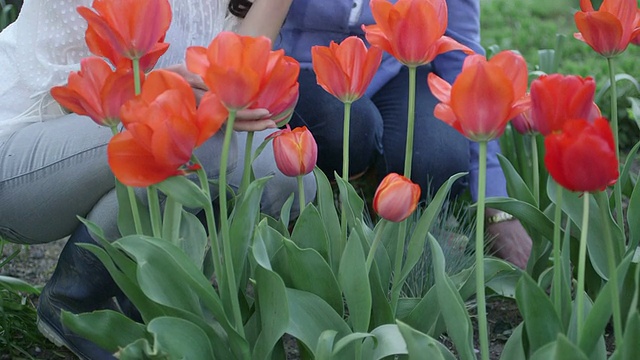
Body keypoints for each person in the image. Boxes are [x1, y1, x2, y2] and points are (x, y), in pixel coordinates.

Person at [0, 0, 311, 358]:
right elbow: (74, 91)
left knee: (281, 173)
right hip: (22, 152)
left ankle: (145, 294)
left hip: (125, 139)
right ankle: (74, 302)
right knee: (193, 138)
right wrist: (163, 88)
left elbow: (237, 77)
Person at [276, 0, 532, 268]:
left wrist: (497, 207)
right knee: (348, 129)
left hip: (395, 67)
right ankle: (313, 210)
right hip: (305, 67)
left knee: (437, 156)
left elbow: (461, 54)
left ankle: (390, 211)